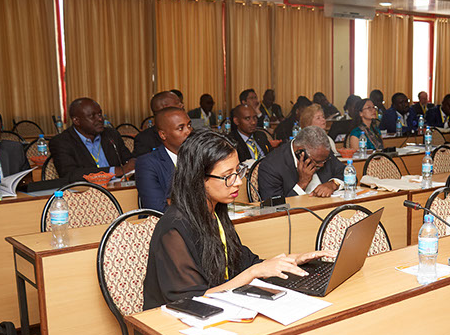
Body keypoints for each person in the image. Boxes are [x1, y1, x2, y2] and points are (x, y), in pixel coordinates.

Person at [143, 129, 329, 309]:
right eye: (227, 176)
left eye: (238, 171)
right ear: (198, 179)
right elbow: (191, 301)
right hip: (173, 321)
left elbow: (244, 262)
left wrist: (293, 259)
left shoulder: (216, 212)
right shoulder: (174, 228)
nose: (239, 182)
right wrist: (254, 272)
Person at [49, 97, 135, 181]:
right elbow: (70, 174)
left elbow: (128, 161)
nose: (100, 119)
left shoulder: (111, 134)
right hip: (87, 189)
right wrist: (115, 171)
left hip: (118, 186)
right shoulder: (61, 142)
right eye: (92, 116)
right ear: (76, 121)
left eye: (100, 114)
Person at [257, 126, 345, 199]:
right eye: (317, 162)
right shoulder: (271, 166)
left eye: (324, 160)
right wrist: (302, 184)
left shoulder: (322, 153)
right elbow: (275, 207)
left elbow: (346, 172)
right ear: (300, 152)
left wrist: (333, 184)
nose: (322, 165)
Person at [136, 107, 192, 212]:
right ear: (163, 135)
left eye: (189, 125)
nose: (188, 131)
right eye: (181, 128)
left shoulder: (199, 156)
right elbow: (157, 208)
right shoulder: (147, 163)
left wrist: (171, 201)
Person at [134, 91, 184, 157]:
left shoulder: (189, 133)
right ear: (165, 107)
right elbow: (144, 162)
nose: (182, 105)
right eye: (177, 103)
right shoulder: (145, 139)